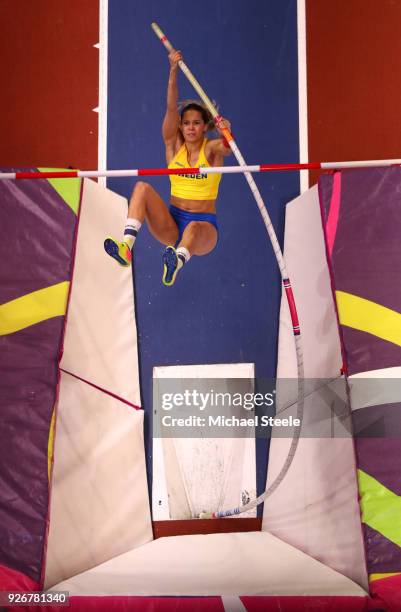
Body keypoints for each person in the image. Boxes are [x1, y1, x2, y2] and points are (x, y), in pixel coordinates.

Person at [104, 49, 232, 286]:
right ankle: (126, 248)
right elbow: (171, 108)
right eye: (186, 124)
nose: (191, 128)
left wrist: (226, 131)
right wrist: (173, 70)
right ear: (181, 127)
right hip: (172, 224)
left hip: (203, 228)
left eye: (196, 123)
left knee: (192, 227)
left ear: (205, 127)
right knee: (141, 186)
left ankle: (176, 262)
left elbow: (228, 148)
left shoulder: (211, 149)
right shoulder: (173, 148)